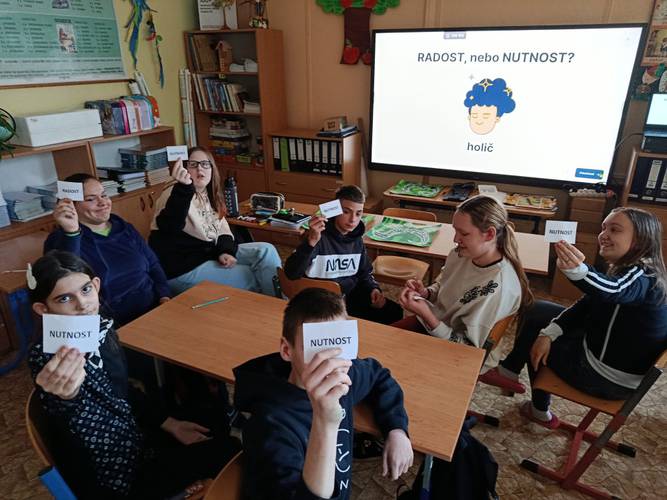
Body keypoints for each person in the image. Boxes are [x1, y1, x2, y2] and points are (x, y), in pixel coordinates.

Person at [27, 250, 240, 498]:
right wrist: (69, 398)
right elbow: (67, 418)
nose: (82, 304)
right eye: (64, 299)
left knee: (214, 416)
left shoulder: (100, 328)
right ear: (43, 308)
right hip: (116, 476)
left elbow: (122, 391)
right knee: (230, 448)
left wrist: (169, 423)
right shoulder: (48, 358)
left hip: (137, 438)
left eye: (85, 290)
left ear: (96, 285)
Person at [486, 207, 667, 427]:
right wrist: (550, 332)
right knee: (537, 310)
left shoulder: (642, 276)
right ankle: (510, 370)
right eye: (604, 228)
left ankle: (538, 409)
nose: (604, 235)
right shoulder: (632, 268)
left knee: (536, 338)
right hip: (605, 356)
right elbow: (588, 304)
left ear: (640, 241)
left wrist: (578, 270)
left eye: (615, 230)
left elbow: (611, 290)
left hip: (605, 379)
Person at [234, 288, 413, 499]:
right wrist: (325, 422)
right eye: (316, 349)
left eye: (339, 345)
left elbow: (378, 376)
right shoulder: (270, 428)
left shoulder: (343, 373)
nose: (329, 362)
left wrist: (396, 429)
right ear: (287, 351)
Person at [395, 195, 533, 365]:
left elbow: (468, 349)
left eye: (464, 233)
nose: (455, 239)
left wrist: (427, 314)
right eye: (455, 230)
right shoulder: (462, 253)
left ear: (490, 234)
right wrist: (426, 293)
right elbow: (445, 285)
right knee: (382, 344)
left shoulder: (498, 287)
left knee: (388, 359)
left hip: (459, 355)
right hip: (436, 327)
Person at [149, 147, 281, 296]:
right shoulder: (175, 193)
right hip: (181, 268)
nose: (200, 168)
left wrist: (225, 250)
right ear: (184, 168)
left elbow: (222, 227)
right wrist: (183, 188)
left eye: (205, 164)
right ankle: (273, 305)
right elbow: (170, 226)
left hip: (207, 253)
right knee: (251, 276)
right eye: (193, 164)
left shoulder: (206, 192)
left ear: (212, 169)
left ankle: (281, 302)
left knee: (265, 251)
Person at [45, 173, 171, 327]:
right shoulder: (62, 240)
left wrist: (164, 296)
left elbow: (153, 265)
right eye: (91, 199)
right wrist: (71, 233)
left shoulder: (123, 227)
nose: (103, 202)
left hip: (154, 309)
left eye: (104, 195)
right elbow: (67, 281)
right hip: (114, 325)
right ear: (70, 206)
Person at [283, 185, 403, 324]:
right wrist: (311, 242)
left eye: (358, 214)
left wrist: (373, 289)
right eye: (346, 212)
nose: (353, 219)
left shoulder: (357, 240)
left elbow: (364, 272)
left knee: (394, 312)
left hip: (348, 296)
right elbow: (291, 273)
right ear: (335, 211)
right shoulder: (317, 236)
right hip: (319, 300)